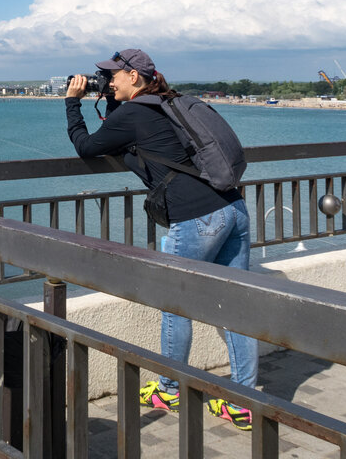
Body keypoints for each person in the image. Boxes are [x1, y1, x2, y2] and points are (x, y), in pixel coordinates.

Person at [65, 49, 257, 431]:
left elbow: (87, 147)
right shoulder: (166, 104)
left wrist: (73, 103)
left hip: (196, 218)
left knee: (175, 305)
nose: (108, 81)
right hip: (233, 208)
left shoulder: (134, 113)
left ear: (134, 77)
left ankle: (168, 388)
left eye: (113, 76)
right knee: (234, 306)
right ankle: (244, 401)